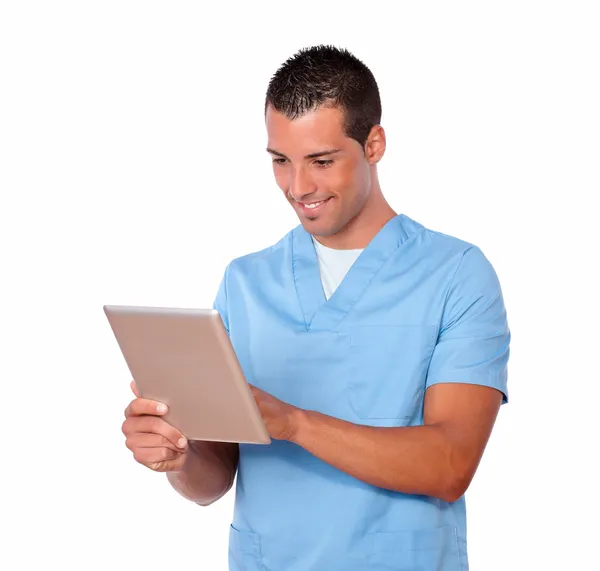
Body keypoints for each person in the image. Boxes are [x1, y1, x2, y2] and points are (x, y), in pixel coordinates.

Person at [122, 44, 511, 571]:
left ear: (374, 144)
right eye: (281, 161)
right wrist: (177, 456)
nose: (298, 187)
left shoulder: (456, 275)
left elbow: (450, 464)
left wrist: (293, 423)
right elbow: (212, 481)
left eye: (322, 161)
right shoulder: (245, 282)